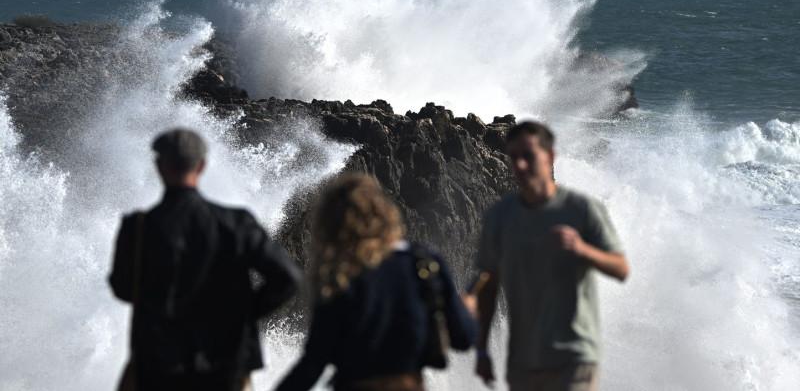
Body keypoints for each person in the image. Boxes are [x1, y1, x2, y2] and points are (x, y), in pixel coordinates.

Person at [109, 128, 302, 391]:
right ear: (201, 166)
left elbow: (123, 288)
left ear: (159, 167)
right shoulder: (236, 223)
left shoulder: (139, 228)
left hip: (160, 368)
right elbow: (288, 277)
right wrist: (242, 314)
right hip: (225, 365)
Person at [276, 173, 477, 391]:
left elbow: (312, 365)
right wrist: (467, 309)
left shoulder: (340, 278)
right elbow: (463, 338)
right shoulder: (424, 264)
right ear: (385, 215)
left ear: (329, 225)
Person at [474, 121, 629, 391]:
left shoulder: (582, 209)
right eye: (515, 158)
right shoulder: (500, 215)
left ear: (550, 158)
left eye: (529, 157)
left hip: (574, 358)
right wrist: (482, 350)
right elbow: (489, 284)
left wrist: (582, 249)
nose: (521, 166)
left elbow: (620, 268)